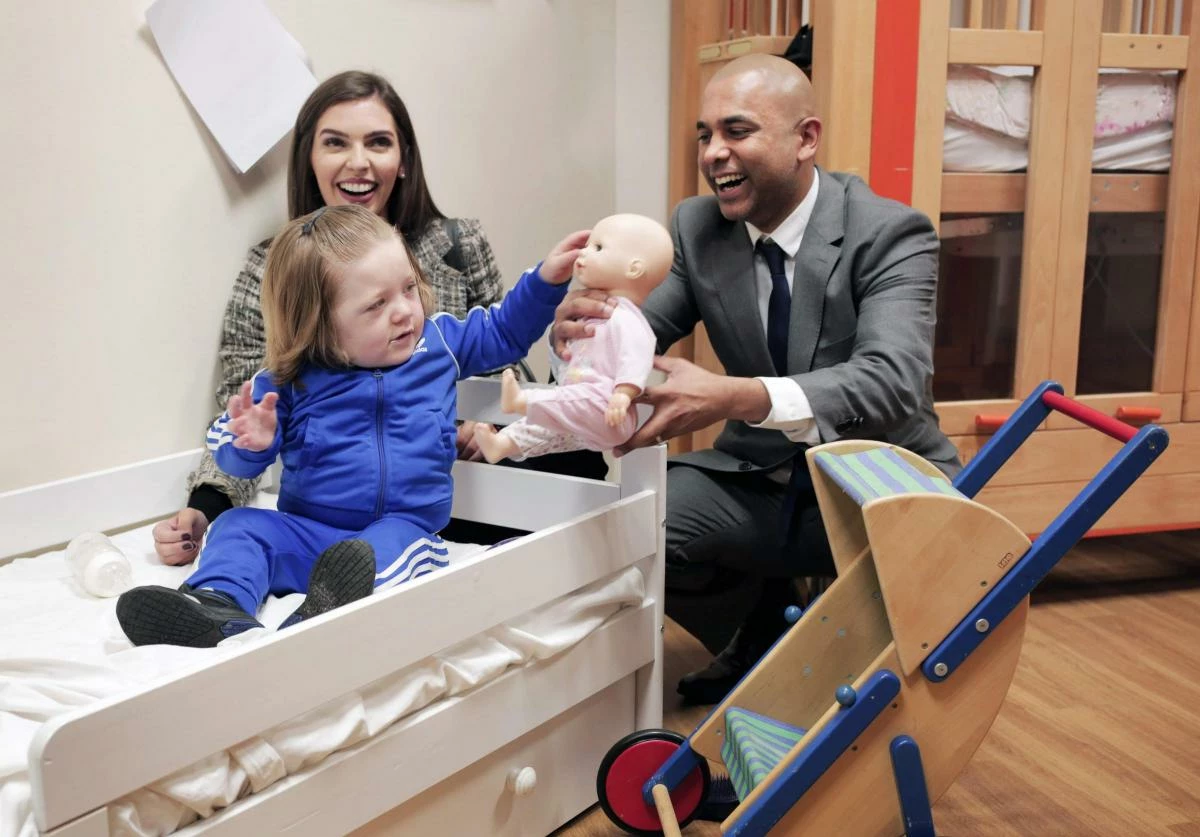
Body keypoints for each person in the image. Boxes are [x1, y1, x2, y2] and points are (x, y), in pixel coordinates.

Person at [551, 54, 960, 705]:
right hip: (761, 481)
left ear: (806, 139)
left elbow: (894, 381)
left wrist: (733, 395)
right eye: (704, 135)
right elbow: (641, 332)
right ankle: (765, 633)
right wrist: (583, 332)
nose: (714, 153)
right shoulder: (697, 227)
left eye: (736, 131)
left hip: (874, 483)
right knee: (635, 516)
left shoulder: (889, 232)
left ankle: (815, 639)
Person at [154, 70, 601, 566]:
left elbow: (503, 353)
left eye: (379, 142)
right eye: (336, 143)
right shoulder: (272, 271)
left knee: (577, 457)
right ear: (309, 160)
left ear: (403, 159)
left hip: (448, 482)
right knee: (243, 533)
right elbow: (247, 410)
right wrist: (206, 507)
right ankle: (223, 602)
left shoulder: (456, 246)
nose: (359, 162)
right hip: (329, 495)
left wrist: (474, 424)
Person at [117, 205, 585, 647]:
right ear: (319, 324)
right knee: (239, 527)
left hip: (402, 529)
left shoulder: (439, 343)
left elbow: (504, 331)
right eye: (376, 304)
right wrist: (252, 443)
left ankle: (327, 609)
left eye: (407, 288)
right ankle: (218, 607)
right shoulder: (288, 382)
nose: (403, 310)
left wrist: (546, 281)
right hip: (306, 532)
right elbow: (230, 458)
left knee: (396, 548)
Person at [473, 214, 673, 463]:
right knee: (544, 427)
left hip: (605, 409)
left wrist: (623, 393)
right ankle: (502, 444)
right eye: (587, 246)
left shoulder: (625, 318)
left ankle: (523, 400)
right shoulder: (588, 313)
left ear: (633, 268)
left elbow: (637, 357)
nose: (583, 254)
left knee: (560, 403)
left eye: (597, 248)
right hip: (579, 405)